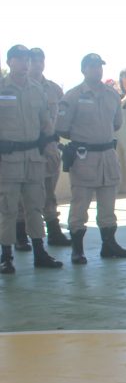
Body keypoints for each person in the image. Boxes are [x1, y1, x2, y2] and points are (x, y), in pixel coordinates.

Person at [56, 53, 126, 265]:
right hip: (84, 157)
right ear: (83, 70)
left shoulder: (112, 95)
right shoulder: (73, 96)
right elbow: (62, 127)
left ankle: (109, 244)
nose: (97, 70)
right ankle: (77, 249)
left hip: (107, 155)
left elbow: (116, 123)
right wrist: (85, 139)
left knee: (108, 204)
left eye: (99, 66)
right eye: (92, 66)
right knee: (80, 204)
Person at [0, 45, 60, 274]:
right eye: (19, 59)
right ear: (9, 62)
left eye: (27, 59)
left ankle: (39, 252)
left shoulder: (37, 90)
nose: (24, 63)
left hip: (34, 158)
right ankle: (6, 256)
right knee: (8, 209)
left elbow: (46, 124)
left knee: (35, 207)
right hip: (9, 159)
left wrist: (51, 149)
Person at [24, 47, 71, 247]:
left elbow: (65, 114)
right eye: (33, 61)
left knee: (49, 192)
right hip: (26, 148)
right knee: (23, 193)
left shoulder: (53, 89)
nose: (37, 64)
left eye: (40, 60)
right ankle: (20, 234)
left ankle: (53, 231)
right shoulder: (19, 88)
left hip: (49, 148)